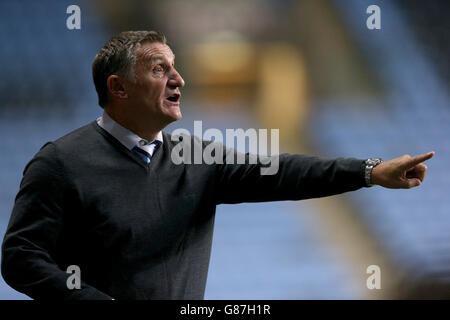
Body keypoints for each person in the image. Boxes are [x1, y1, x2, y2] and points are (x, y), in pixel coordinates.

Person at [1, 31, 434, 300]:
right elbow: (21, 257)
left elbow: (281, 172)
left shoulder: (196, 156)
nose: (179, 79)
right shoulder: (59, 162)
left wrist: (369, 172)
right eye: (160, 68)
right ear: (119, 87)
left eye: (176, 66)